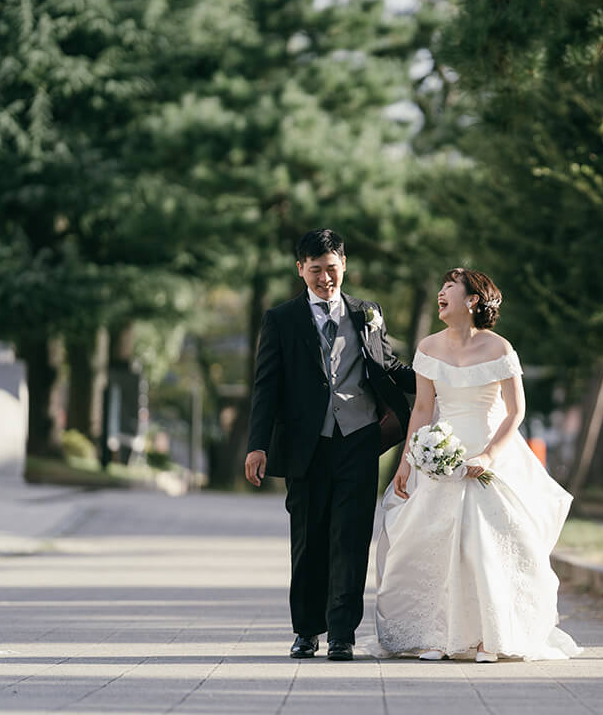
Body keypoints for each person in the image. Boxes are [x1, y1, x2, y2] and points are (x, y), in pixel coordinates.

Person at [370, 268, 580, 662]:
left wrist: (488, 455)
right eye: (441, 285)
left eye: (450, 286)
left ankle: (490, 637)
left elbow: (516, 412)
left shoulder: (499, 348)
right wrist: (407, 461)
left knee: (488, 544)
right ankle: (434, 634)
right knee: (430, 541)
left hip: (490, 453)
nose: (441, 292)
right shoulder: (429, 347)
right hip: (440, 452)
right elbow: (422, 408)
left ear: (472, 300)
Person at [245, 229, 415, 662]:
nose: (326, 279)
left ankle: (342, 633)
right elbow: (266, 387)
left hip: (359, 441)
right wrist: (257, 445)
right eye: (316, 270)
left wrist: (440, 370)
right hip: (306, 445)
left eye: (332, 269)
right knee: (308, 539)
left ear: (345, 266)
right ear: (301, 269)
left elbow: (387, 365)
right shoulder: (280, 320)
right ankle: (306, 630)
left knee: (351, 539)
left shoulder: (367, 313)